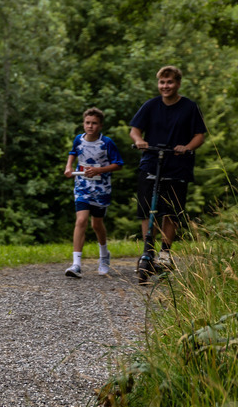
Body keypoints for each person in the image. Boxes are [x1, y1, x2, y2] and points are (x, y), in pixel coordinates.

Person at [128, 65, 207, 267]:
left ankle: (164, 253)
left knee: (171, 212)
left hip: (177, 164)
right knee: (146, 209)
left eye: (170, 82)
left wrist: (187, 147)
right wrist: (139, 141)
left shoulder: (190, 107)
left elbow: (200, 135)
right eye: (162, 82)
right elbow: (135, 130)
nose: (165, 86)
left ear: (178, 84)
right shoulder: (151, 106)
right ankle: (148, 250)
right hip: (151, 162)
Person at [62, 107, 124, 277]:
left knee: (96, 224)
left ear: (101, 125)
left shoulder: (107, 143)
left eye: (94, 123)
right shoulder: (78, 139)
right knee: (81, 220)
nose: (90, 126)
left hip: (101, 188)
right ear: (83, 124)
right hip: (82, 186)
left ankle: (104, 256)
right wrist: (68, 167)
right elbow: (73, 152)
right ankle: (76, 264)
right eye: (88, 123)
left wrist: (99, 170)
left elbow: (118, 164)